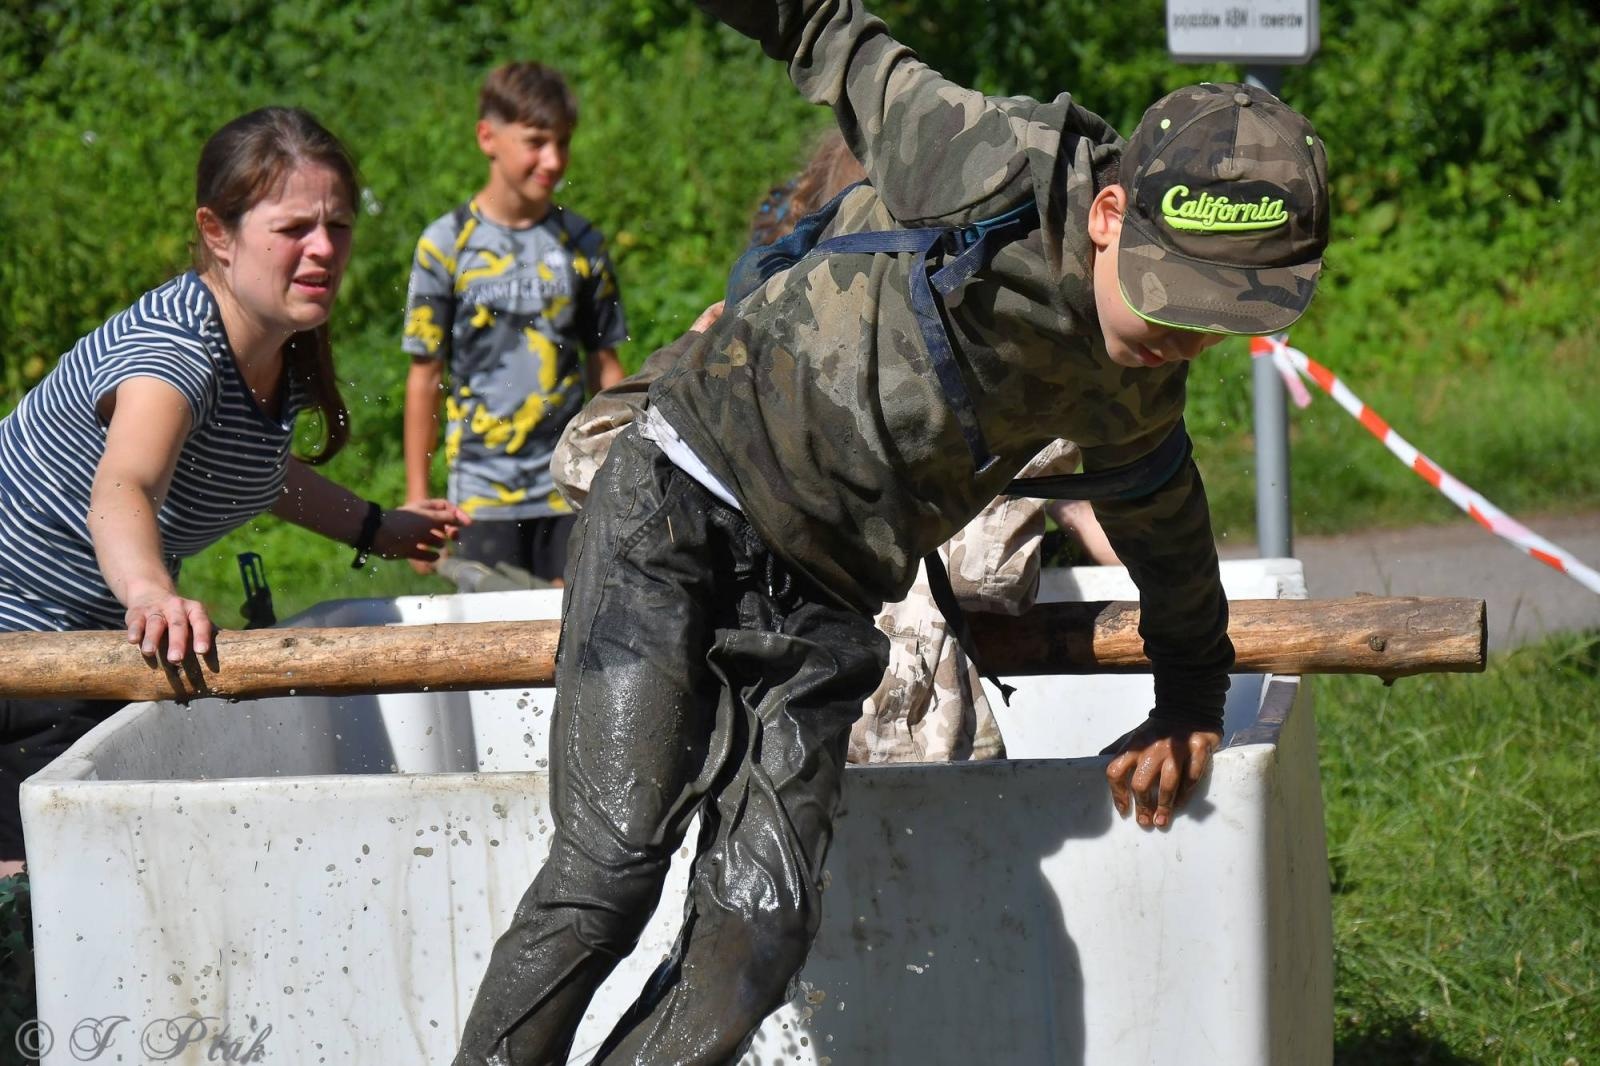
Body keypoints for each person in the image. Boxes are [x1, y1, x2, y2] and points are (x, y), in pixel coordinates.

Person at [455, 0, 1329, 1060]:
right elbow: (829, 32)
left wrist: (1189, 693)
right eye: (1170, 301)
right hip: (680, 502)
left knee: (758, 929)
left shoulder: (1136, 388)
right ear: (1107, 215)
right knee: (610, 862)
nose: (1177, 344)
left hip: (820, 597)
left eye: (1214, 326)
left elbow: (1166, 525)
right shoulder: (995, 168)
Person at [550, 128, 1120, 765]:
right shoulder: (982, 372)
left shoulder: (758, 364)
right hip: (894, 747)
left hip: (789, 740)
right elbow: (992, 575)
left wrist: (686, 358)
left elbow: (584, 461)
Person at [0, 107, 468, 875]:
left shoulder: (270, 346)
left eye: (338, 226)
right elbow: (125, 485)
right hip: (18, 657)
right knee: (46, 919)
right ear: (218, 233)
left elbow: (257, 473)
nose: (322, 249)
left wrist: (378, 526)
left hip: (75, 649)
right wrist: (151, 594)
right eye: (292, 230)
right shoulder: (174, 351)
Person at [403, 61, 629, 587]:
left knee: (578, 639)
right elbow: (424, 377)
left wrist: (619, 475)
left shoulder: (582, 243)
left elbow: (607, 366)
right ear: (488, 137)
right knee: (487, 650)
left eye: (563, 143)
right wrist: (418, 499)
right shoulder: (446, 243)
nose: (552, 160)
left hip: (570, 485)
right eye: (535, 142)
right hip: (482, 495)